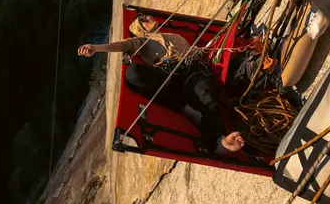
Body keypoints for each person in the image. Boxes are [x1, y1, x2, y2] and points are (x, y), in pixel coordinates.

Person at [78, 15, 245, 154]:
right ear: (139, 29)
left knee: (206, 96)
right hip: (167, 75)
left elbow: (194, 51)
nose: (148, 17)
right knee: (132, 73)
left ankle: (219, 141)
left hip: (192, 70)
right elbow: (122, 45)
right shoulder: (141, 41)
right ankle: (186, 109)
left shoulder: (174, 36)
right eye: (143, 19)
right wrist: (97, 48)